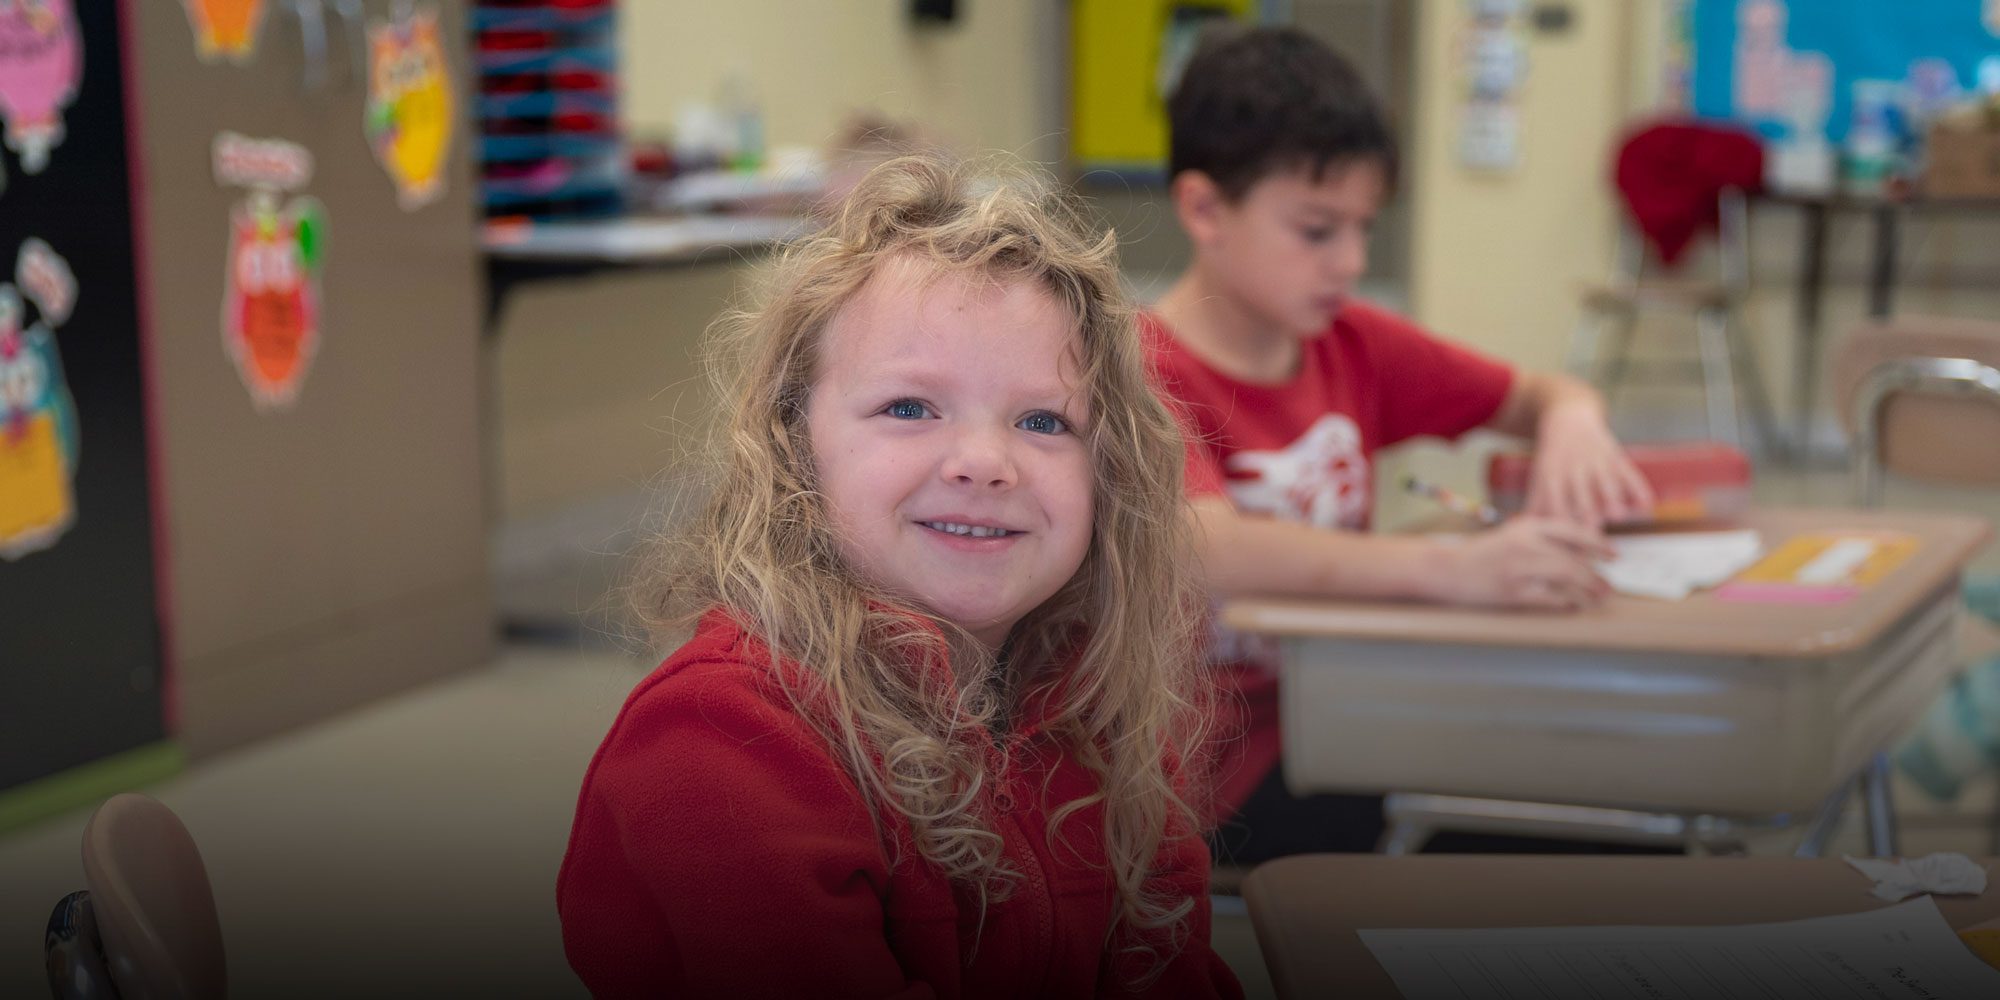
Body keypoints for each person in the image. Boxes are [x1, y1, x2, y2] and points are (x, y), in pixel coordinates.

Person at [557, 155, 1242, 999]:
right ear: (793, 446)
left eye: (1043, 420)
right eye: (910, 408)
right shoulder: (717, 744)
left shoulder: (1100, 705)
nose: (985, 463)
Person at [1144, 25, 1656, 861]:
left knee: (1613, 804)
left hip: (1358, 709)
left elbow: (1540, 393)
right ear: (1205, 209)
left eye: (1363, 227)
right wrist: (1459, 571)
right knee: (1563, 840)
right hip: (1222, 769)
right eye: (1316, 230)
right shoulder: (1137, 366)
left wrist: (1573, 420)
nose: (1349, 260)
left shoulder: (1355, 342)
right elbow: (1204, 545)